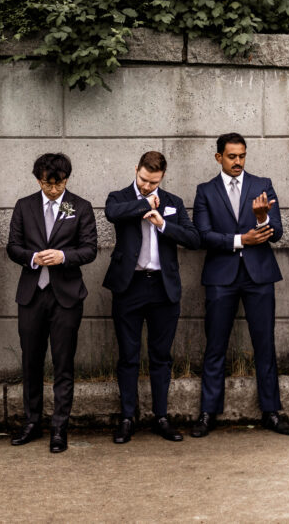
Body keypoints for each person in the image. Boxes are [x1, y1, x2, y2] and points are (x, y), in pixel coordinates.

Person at [190, 133, 289, 438]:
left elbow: (276, 233)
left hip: (258, 276)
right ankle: (208, 412)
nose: (238, 162)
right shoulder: (205, 191)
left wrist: (262, 220)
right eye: (232, 156)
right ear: (218, 157)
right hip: (221, 277)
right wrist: (240, 240)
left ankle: (271, 412)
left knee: (265, 344)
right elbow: (202, 235)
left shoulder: (262, 184)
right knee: (215, 346)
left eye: (242, 156)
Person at [103, 151, 200, 444]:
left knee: (161, 357)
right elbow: (112, 214)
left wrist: (163, 224)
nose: (147, 185)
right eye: (143, 179)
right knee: (128, 356)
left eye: (153, 182)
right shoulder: (119, 197)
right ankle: (127, 418)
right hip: (129, 286)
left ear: (162, 177)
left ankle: (161, 417)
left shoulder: (173, 203)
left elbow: (193, 239)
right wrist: (142, 204)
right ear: (136, 170)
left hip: (163, 287)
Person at [6, 153, 97, 453]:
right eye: (48, 184)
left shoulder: (80, 207)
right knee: (31, 361)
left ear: (67, 180)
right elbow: (13, 247)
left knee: (63, 363)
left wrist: (63, 257)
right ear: (38, 179)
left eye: (59, 184)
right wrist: (32, 257)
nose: (54, 190)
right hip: (31, 295)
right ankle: (32, 421)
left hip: (66, 296)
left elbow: (90, 249)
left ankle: (60, 426)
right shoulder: (24, 206)